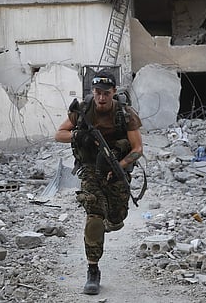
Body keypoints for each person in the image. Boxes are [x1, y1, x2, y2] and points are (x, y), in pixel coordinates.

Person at [55, 69, 143, 295]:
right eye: (97, 92)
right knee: (94, 212)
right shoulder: (83, 110)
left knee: (117, 217)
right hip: (90, 169)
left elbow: (137, 148)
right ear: (92, 91)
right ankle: (93, 269)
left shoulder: (125, 114)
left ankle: (108, 221)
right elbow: (59, 134)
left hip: (116, 169)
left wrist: (120, 166)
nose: (101, 97)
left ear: (114, 92)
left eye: (106, 93)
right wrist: (78, 136)